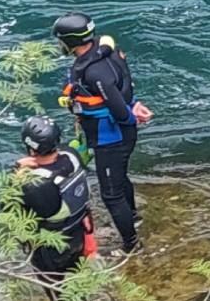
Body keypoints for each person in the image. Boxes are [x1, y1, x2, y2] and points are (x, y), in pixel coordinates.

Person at [54, 13, 153, 254]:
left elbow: (117, 109)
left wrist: (131, 115)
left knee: (111, 193)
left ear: (71, 41)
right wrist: (134, 105)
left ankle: (131, 245)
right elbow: (125, 85)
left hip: (112, 137)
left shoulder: (94, 72)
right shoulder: (106, 49)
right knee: (120, 179)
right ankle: (132, 216)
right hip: (121, 134)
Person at [12, 115, 93, 299]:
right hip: (78, 233)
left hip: (51, 248)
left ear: (32, 150)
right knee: (78, 281)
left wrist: (16, 171)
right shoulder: (72, 156)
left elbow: (9, 208)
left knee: (55, 287)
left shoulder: (35, 184)